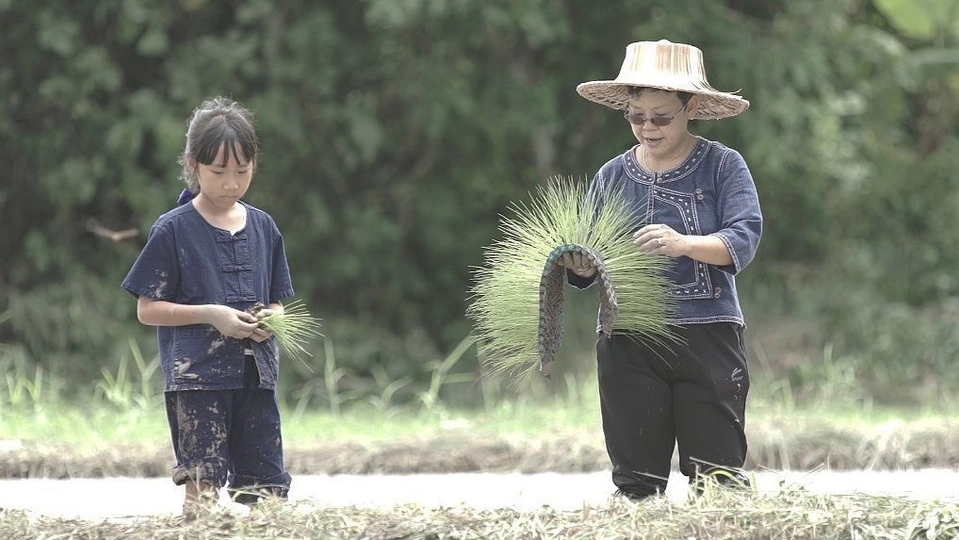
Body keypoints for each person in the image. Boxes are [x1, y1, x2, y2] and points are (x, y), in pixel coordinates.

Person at [562, 39, 762, 500]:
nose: (648, 128)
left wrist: (683, 244)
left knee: (718, 480)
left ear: (690, 107)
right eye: (636, 117)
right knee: (635, 483)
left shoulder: (722, 166)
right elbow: (589, 263)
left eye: (662, 117)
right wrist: (578, 266)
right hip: (627, 338)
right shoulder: (611, 175)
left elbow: (744, 238)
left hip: (707, 333)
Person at [122, 96, 295, 517]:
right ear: (193, 165)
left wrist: (274, 318)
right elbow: (147, 308)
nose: (231, 183)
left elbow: (279, 301)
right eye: (219, 172)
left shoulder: (264, 227)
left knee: (268, 495)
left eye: (242, 171)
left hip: (257, 377)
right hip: (197, 382)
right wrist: (210, 314)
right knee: (202, 494)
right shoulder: (173, 229)